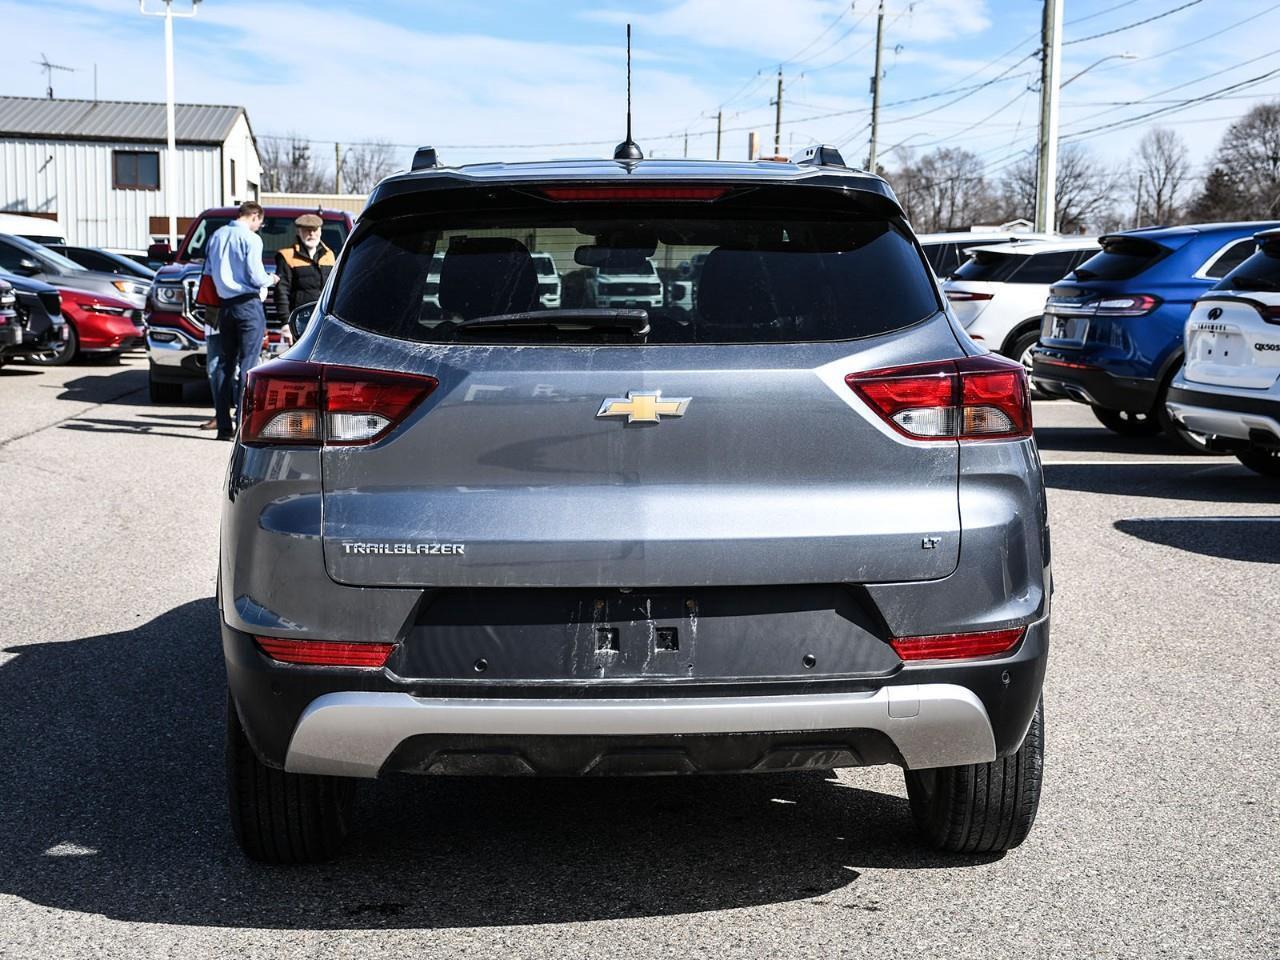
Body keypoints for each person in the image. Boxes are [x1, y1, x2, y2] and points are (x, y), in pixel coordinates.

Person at [204, 201, 277, 440]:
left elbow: (210, 271)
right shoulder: (250, 239)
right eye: (260, 223)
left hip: (224, 306)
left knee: (225, 365)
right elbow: (256, 276)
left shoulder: (217, 236)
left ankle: (223, 426)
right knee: (249, 365)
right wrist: (271, 279)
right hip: (247, 304)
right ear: (254, 216)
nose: (259, 227)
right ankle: (243, 425)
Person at [274, 213, 335, 321]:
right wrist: (285, 322)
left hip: (324, 319)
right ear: (299, 232)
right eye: (307, 230)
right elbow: (282, 291)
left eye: (315, 230)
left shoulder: (329, 255)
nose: (311, 234)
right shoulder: (287, 256)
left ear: (320, 231)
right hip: (299, 319)